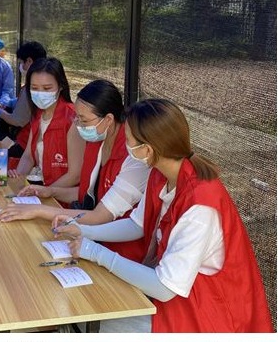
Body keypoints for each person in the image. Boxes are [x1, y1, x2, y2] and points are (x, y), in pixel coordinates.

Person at [54, 99, 273, 333]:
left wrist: (97, 253)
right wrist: (84, 231)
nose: (124, 145)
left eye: (128, 139)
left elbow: (165, 288)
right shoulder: (162, 174)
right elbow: (136, 224)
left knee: (89, 316)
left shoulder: (200, 206)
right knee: (85, 307)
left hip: (206, 312)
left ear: (147, 150)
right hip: (184, 297)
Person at [0, 79, 148, 261]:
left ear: (108, 119)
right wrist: (51, 191)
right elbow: (87, 193)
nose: (78, 125)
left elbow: (100, 215)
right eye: (76, 118)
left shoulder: (134, 156)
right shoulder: (97, 141)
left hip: (120, 253)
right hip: (90, 239)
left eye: (83, 120)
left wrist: (38, 210)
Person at [8, 57, 84, 188]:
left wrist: (46, 192)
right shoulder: (37, 114)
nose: (40, 94)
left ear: (61, 86)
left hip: (61, 195)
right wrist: (18, 177)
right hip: (42, 187)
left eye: (47, 88)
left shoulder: (73, 118)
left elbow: (75, 175)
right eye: (34, 88)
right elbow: (28, 156)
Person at [0, 41, 47, 159]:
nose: (21, 66)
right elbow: (24, 104)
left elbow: (18, 120)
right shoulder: (39, 84)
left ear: (29, 61)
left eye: (22, 62)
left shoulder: (32, 87)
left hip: (25, 144)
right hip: (32, 141)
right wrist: (8, 104)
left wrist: (0, 113)